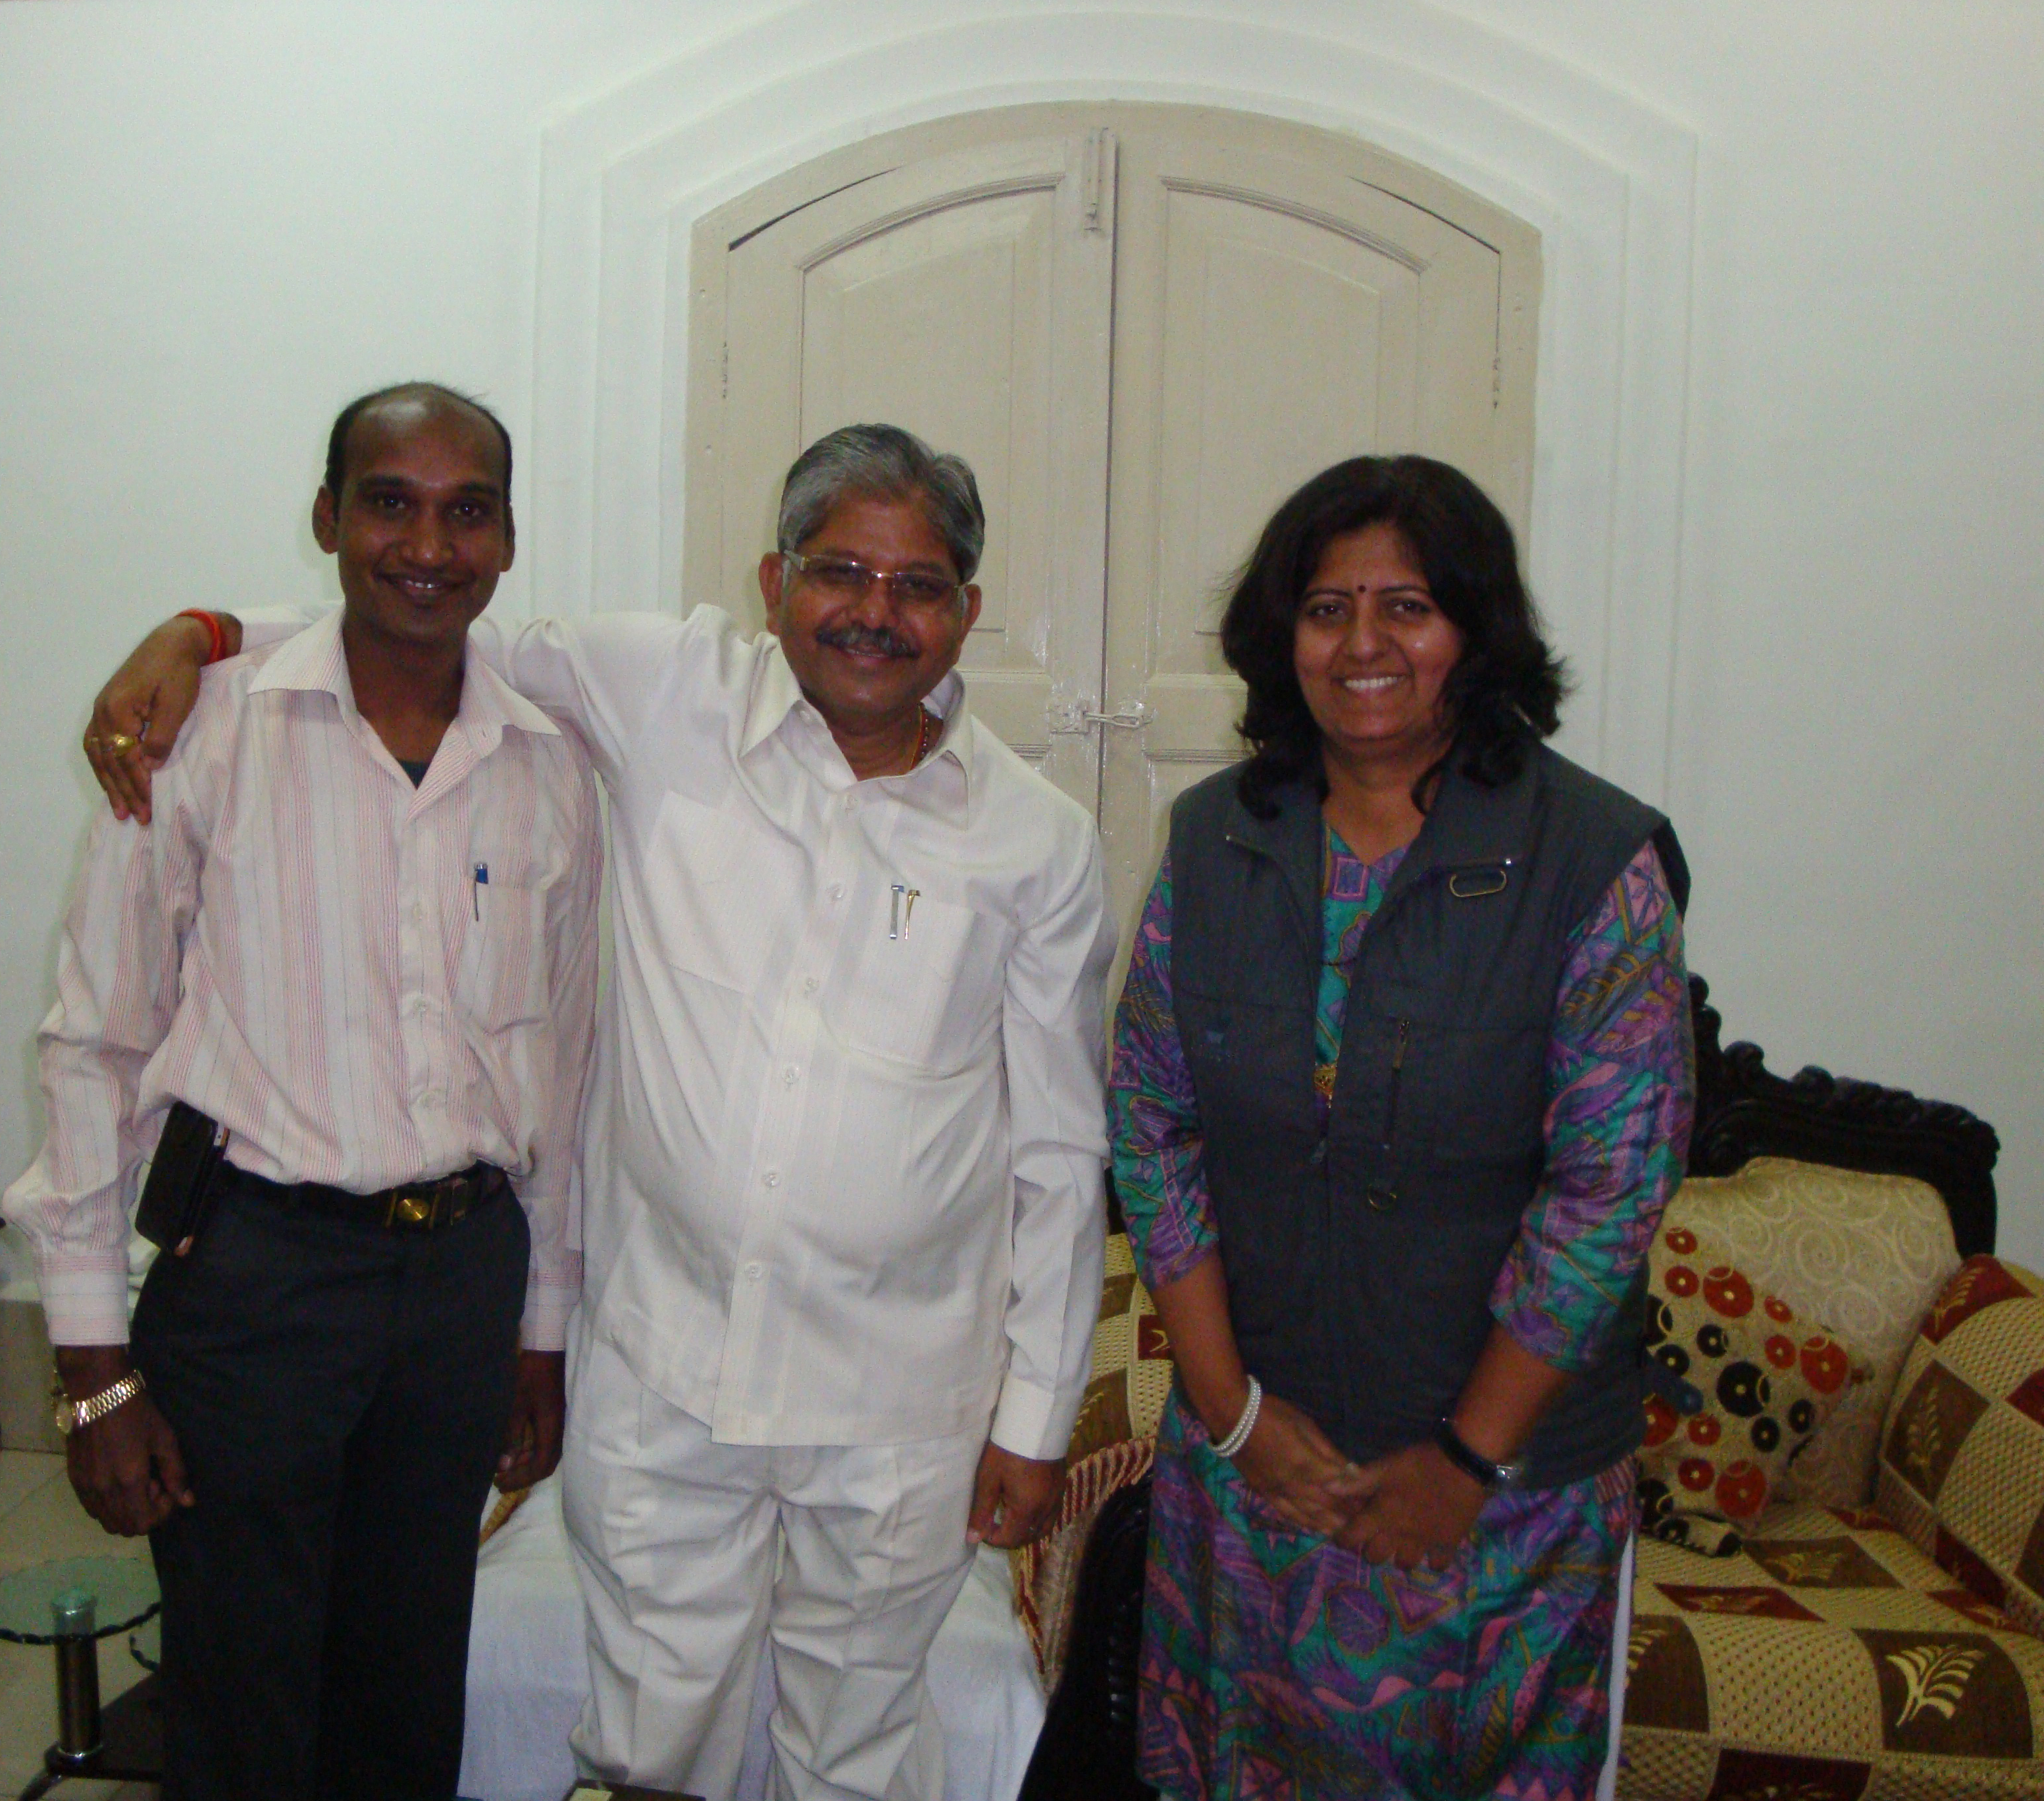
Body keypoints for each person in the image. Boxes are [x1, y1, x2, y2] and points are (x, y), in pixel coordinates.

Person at [84, 421, 1113, 1801]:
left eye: (917, 585)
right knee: (650, 1742)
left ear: (967, 612)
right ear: (774, 581)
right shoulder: (665, 689)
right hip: (666, 1370)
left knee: (860, 1749)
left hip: (898, 1396)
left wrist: (1036, 1419)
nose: (875, 612)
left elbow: (1060, 1148)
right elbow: (419, 620)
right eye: (840, 572)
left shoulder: (1037, 841)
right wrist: (202, 635)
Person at [3, 383, 602, 1800]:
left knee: (407, 1691)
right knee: (240, 1697)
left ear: (509, 540)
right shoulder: (202, 732)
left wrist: (540, 1330)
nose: (428, 546)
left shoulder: (549, 765)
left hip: (461, 1284)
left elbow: (564, 1074)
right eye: (390, 502)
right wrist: (92, 1372)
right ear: (328, 518)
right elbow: (93, 1046)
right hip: (255, 1281)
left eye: (468, 512)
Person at [1107, 454, 1693, 1800]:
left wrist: (1467, 1459)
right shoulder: (1214, 840)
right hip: (1253, 1482)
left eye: (1407, 606)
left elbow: (1609, 1191)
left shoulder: (1593, 859)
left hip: (1502, 1508)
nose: (1363, 643)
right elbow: (1151, 1124)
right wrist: (1230, 1412)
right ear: (1284, 638)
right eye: (1327, 609)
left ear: (1475, 632)